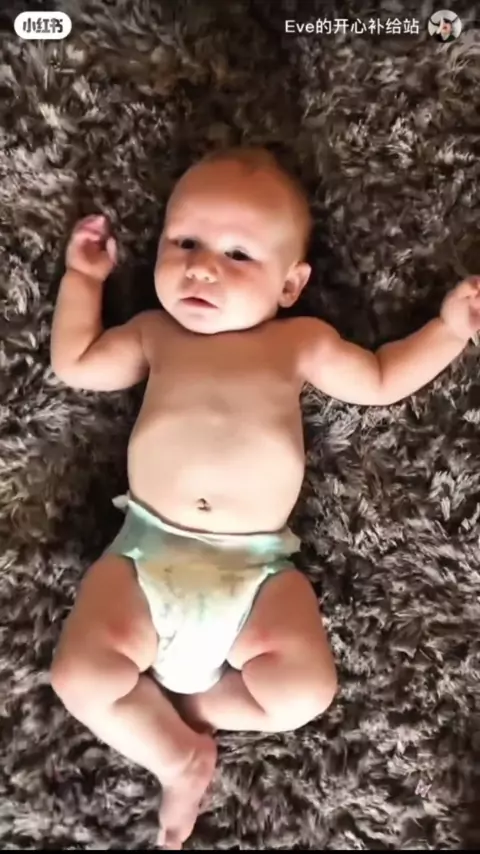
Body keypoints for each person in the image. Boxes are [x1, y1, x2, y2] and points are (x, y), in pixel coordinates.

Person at [49, 146, 480, 849]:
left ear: (290, 284)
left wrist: (448, 330)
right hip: (146, 554)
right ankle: (176, 756)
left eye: (237, 255)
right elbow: (76, 364)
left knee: (306, 692)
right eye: (184, 243)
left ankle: (195, 707)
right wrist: (83, 279)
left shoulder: (297, 343)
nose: (201, 268)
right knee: (78, 674)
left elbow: (378, 380)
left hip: (254, 574)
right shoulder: (156, 334)